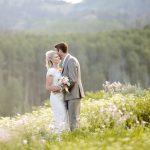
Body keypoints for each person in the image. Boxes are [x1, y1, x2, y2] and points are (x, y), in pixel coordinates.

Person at [54, 42, 85, 131]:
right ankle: (73, 138)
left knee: (73, 120)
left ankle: (76, 139)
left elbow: (73, 79)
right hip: (70, 95)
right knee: (71, 120)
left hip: (74, 94)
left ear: (60, 50)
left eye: (57, 51)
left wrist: (63, 88)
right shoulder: (65, 61)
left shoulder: (71, 60)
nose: (56, 54)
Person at [45, 50, 68, 134]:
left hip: (62, 97)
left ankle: (58, 135)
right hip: (55, 98)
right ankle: (59, 138)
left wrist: (65, 85)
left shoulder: (60, 70)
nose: (58, 57)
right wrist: (60, 88)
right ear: (51, 60)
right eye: (56, 57)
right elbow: (48, 87)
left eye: (58, 56)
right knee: (61, 116)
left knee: (64, 117)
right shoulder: (51, 71)